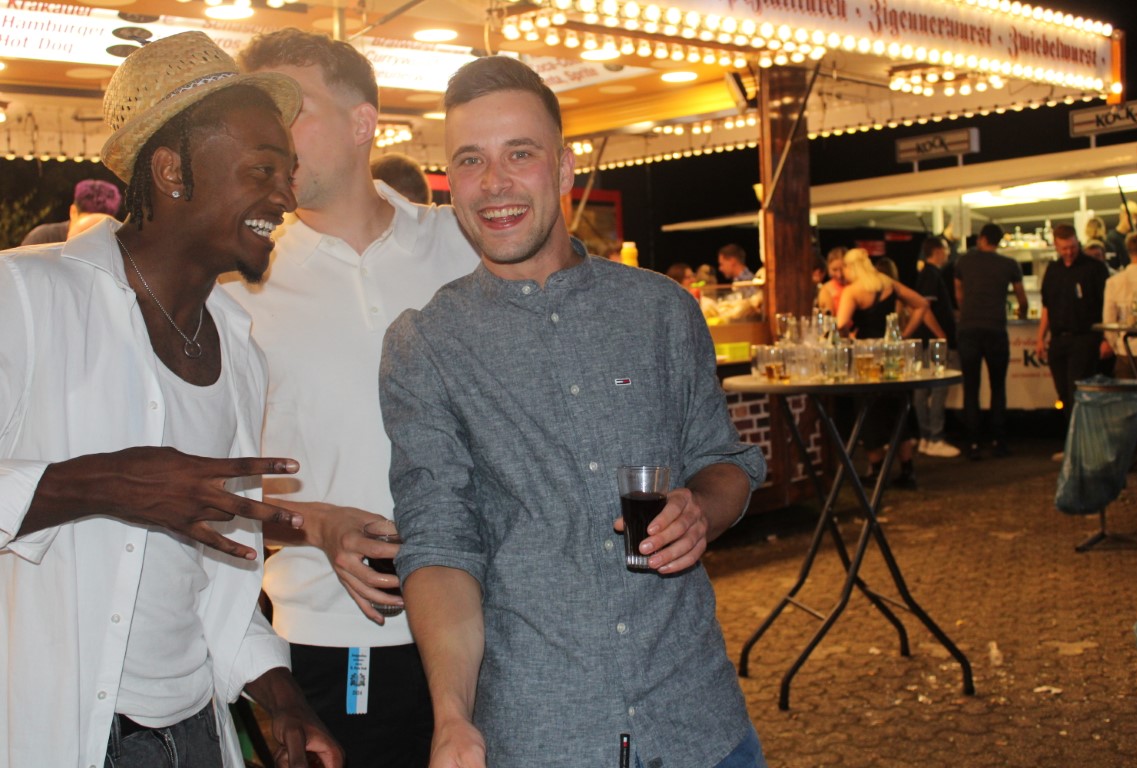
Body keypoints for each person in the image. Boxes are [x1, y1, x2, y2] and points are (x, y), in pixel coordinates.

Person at [379, 55, 768, 768]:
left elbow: (724, 460)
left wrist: (701, 511)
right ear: (450, 182)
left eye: (519, 154)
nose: (494, 182)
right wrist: (452, 717)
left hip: (699, 723)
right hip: (539, 732)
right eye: (471, 160)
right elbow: (439, 544)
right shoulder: (426, 345)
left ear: (562, 168)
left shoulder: (661, 311)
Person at [0, 31, 341, 767]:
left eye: (288, 173)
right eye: (262, 170)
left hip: (195, 734)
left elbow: (221, 575)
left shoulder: (242, 354)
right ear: (172, 172)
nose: (286, 197)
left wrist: (282, 697)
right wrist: (95, 484)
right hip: (56, 732)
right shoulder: (24, 296)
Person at [228, 28, 478, 768]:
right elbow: (213, 480)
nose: (273, 136)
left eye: (293, 110)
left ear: (363, 122)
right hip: (333, 631)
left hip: (494, 619)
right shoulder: (237, 284)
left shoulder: (463, 245)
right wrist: (314, 522)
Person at [838, 248, 941, 489]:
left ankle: (877, 469)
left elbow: (841, 323)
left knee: (869, 413)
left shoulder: (853, 291)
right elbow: (921, 305)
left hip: (865, 357)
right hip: (891, 354)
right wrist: (903, 335)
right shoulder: (887, 283)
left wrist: (846, 339)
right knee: (897, 412)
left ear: (850, 267)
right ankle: (907, 469)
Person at [954, 223, 1029, 460]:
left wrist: (966, 310)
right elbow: (1022, 298)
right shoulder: (1009, 264)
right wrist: (1021, 314)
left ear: (982, 239)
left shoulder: (963, 261)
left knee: (971, 388)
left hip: (968, 328)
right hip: (995, 328)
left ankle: (973, 442)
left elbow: (959, 294)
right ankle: (999, 441)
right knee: (998, 386)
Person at [1036, 223, 1109, 456]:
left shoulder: (1094, 268)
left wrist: (1107, 338)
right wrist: (1040, 338)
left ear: (1078, 242)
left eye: (1072, 247)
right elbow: (1047, 306)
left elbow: (1107, 306)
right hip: (1059, 340)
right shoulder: (1053, 270)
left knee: (1078, 393)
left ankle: (1083, 446)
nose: (1069, 252)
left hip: (1084, 337)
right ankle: (1074, 445)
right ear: (1056, 246)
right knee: (1064, 395)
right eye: (1064, 248)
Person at [914, 236, 961, 458]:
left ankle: (926, 437)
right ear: (937, 250)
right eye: (946, 249)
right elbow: (925, 309)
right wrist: (941, 335)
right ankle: (934, 437)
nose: (949, 253)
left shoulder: (926, 274)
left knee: (923, 389)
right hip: (933, 342)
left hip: (926, 341)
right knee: (936, 389)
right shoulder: (931, 275)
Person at [1102, 233, 1137, 380]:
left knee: (1127, 393)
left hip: (1125, 351)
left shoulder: (1114, 281)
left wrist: (1116, 345)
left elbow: (1108, 320)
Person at [20, 178, 122, 245]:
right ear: (73, 212)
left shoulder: (118, 245)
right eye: (85, 228)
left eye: (99, 228)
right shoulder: (42, 239)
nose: (91, 236)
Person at [1106, 201, 1137, 269]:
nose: (1134, 222)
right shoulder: (1112, 238)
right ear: (1122, 215)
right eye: (1131, 217)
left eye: (1136, 218)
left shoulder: (1135, 238)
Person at [816, 246, 847, 315]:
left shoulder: (857, 286)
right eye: (834, 270)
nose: (839, 275)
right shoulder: (826, 289)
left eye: (842, 269)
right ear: (828, 268)